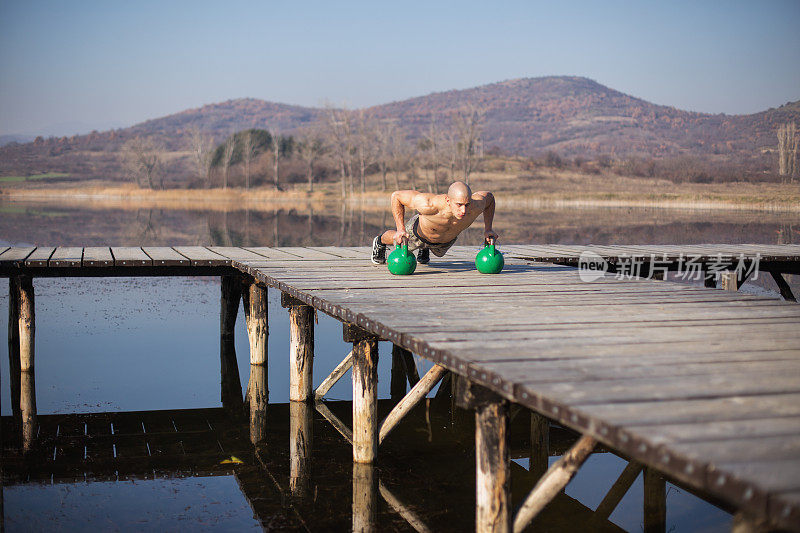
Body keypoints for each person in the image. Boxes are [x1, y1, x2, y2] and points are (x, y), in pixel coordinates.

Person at [372, 181, 498, 265]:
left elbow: (490, 199)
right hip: (417, 234)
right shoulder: (429, 203)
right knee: (399, 239)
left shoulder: (477, 204)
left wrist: (488, 229)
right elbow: (396, 196)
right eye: (459, 205)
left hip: (443, 242)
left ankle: (425, 249)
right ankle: (379, 241)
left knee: (439, 255)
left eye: (467, 205)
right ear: (448, 200)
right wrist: (400, 229)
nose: (463, 210)